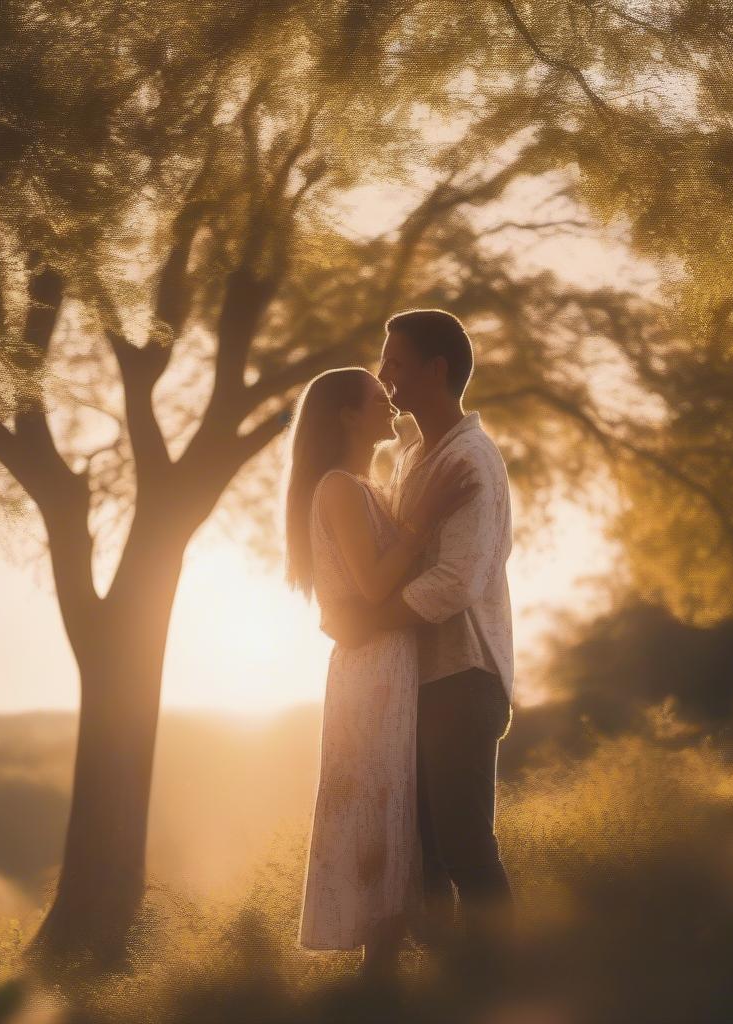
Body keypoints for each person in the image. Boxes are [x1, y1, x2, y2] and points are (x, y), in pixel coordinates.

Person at [322, 309, 516, 950]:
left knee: (464, 846)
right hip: (413, 679)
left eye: (396, 363)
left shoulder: (472, 461)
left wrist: (366, 621)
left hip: (462, 674)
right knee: (423, 852)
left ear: (436, 370)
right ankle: (447, 990)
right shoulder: (411, 458)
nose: (384, 376)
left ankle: (507, 983)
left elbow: (456, 582)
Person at [283, 366, 478, 978]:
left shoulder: (365, 486)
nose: (390, 406)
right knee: (377, 796)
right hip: (371, 669)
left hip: (389, 659)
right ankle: (379, 970)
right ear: (346, 415)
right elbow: (370, 585)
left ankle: (387, 967)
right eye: (376, 398)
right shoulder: (340, 487)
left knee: (392, 800)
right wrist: (426, 515)